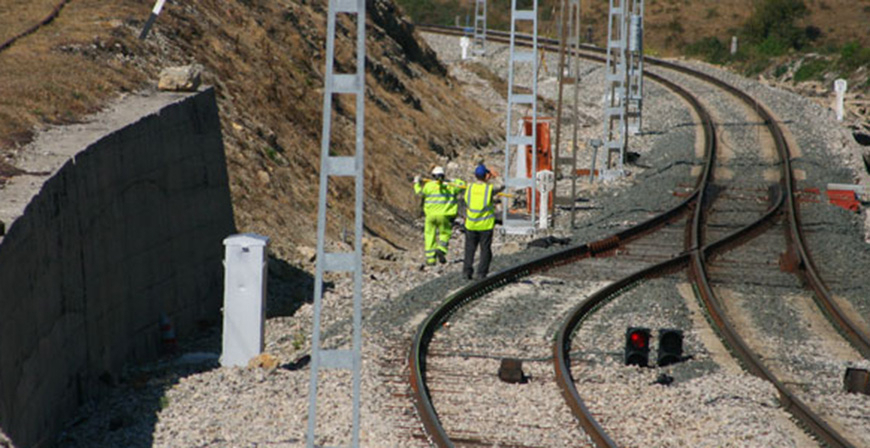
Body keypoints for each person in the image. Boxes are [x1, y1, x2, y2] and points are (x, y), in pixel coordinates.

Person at [414, 166, 464, 266]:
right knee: (445, 233)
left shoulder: (428, 186)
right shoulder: (450, 186)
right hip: (444, 216)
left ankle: (430, 259)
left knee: (429, 235)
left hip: (430, 216)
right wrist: (454, 180)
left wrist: (416, 183)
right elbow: (463, 185)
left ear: (433, 176)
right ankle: (441, 249)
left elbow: (419, 193)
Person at [463, 163, 504, 280]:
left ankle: (467, 271)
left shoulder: (470, 187)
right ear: (486, 176)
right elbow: (502, 185)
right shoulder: (489, 189)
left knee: (469, 249)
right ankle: (481, 273)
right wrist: (496, 176)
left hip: (471, 224)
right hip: (485, 225)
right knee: (485, 250)